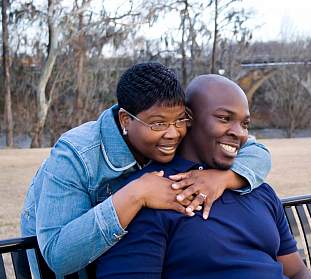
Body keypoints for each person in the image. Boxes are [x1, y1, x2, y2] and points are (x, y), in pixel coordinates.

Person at [20, 63, 272, 276]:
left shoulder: (171, 128)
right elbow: (58, 255)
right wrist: (136, 194)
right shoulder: (76, 154)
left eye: (180, 120)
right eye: (158, 124)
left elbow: (257, 152)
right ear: (126, 120)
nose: (173, 133)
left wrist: (222, 178)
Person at [95, 74, 311, 279]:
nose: (239, 133)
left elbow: (297, 272)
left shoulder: (256, 189)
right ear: (187, 118)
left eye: (245, 123)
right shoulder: (149, 195)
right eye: (224, 118)